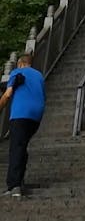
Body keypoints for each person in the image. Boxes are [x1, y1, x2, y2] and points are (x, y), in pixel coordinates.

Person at [0, 53, 46, 197]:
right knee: (22, 146)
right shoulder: (39, 76)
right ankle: (20, 181)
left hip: (21, 114)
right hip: (36, 117)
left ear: (20, 63)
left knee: (16, 148)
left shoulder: (17, 72)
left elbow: (8, 94)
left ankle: (14, 186)